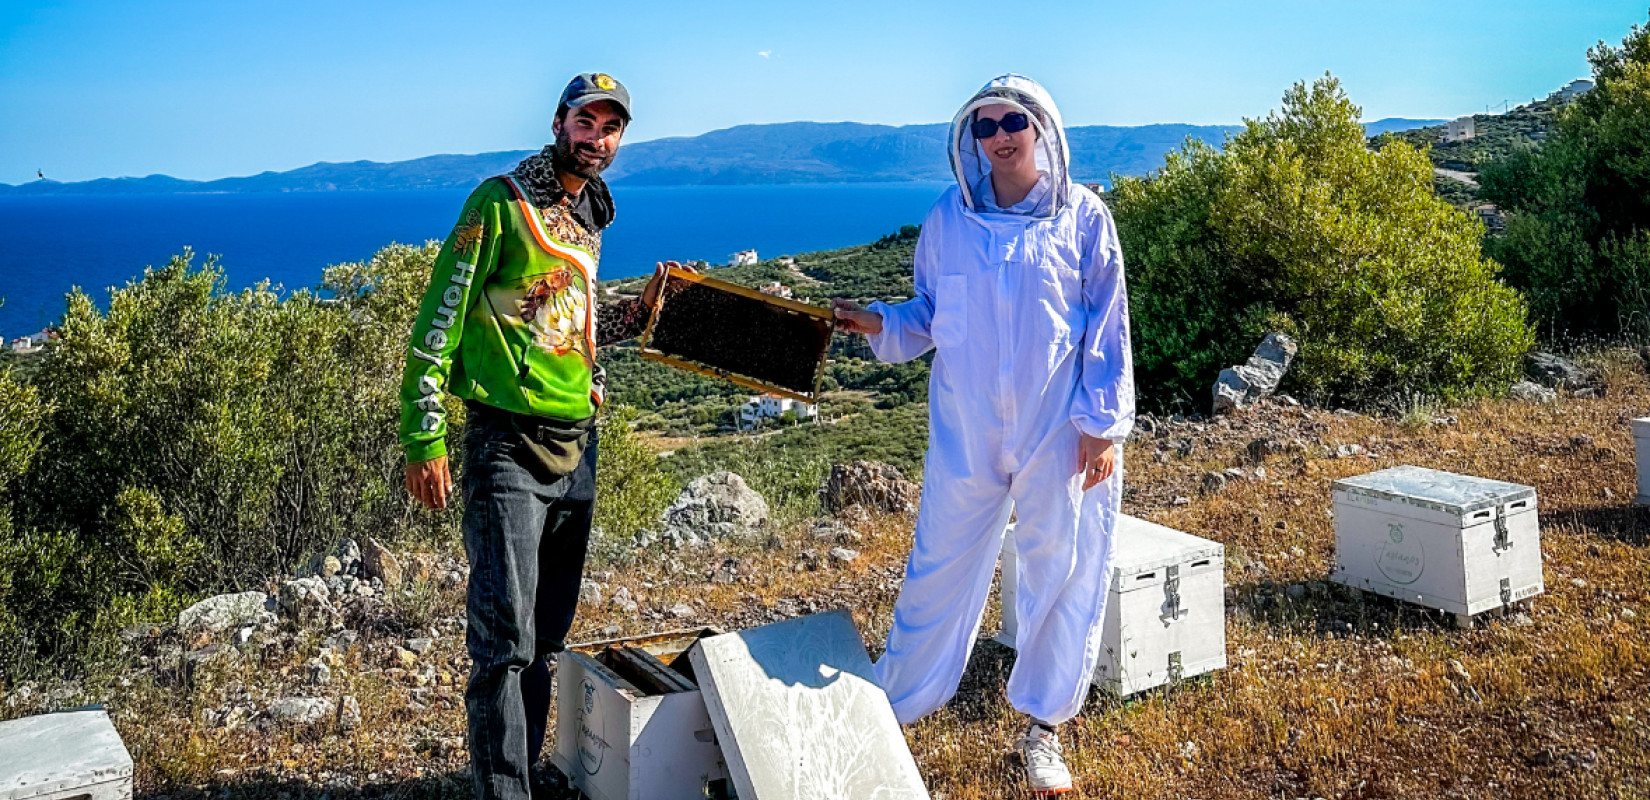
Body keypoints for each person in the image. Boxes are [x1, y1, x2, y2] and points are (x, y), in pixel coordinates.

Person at [834, 74, 1134, 797]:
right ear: (970, 139)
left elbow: (1107, 326)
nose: (1000, 136)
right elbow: (932, 313)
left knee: (1057, 573)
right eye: (986, 125)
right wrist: (877, 321)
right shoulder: (948, 219)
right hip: (965, 431)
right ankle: (891, 711)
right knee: (935, 566)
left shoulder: (1084, 219)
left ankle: (1044, 730)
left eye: (1014, 122)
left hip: (1059, 432)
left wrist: (1101, 427)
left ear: (1041, 130)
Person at [398, 72, 688, 800]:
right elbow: (440, 316)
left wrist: (642, 311)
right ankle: (503, 791)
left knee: (548, 633)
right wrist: (423, 434)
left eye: (611, 127)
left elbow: (572, 333)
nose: (598, 138)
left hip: (577, 440)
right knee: (503, 639)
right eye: (586, 122)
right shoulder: (499, 204)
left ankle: (525, 772)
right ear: (559, 122)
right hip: (507, 445)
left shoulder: (589, 216)